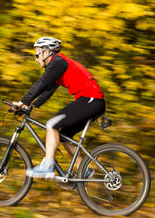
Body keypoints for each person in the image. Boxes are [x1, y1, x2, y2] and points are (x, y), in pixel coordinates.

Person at [13, 36, 106, 179]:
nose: (36, 59)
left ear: (46, 52)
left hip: (91, 99)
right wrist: (30, 105)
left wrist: (22, 101)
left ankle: (47, 167)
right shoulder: (58, 66)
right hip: (92, 101)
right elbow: (47, 90)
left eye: (37, 54)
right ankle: (83, 170)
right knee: (65, 137)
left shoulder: (58, 62)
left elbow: (41, 83)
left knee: (52, 124)